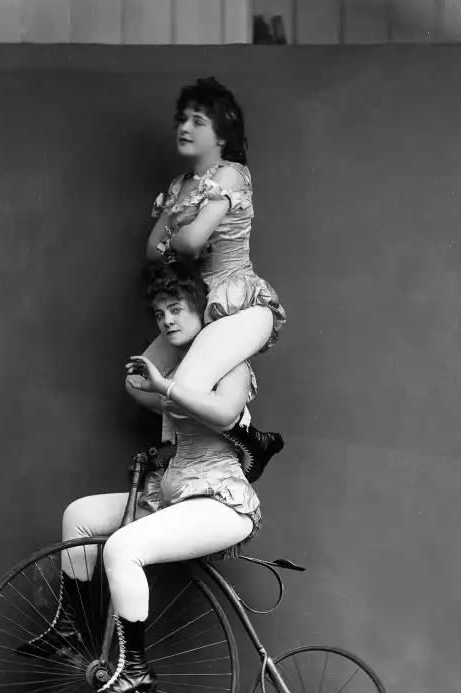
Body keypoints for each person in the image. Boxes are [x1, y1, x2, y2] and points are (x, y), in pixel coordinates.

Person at [17, 263, 262, 693]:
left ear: (203, 312)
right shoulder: (181, 373)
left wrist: (166, 385)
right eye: (159, 313)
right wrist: (161, 401)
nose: (167, 320)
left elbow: (225, 415)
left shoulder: (233, 366)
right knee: (80, 515)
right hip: (175, 495)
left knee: (122, 547)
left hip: (220, 504)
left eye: (177, 309)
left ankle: (135, 669)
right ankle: (69, 631)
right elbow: (144, 390)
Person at [139, 76, 286, 482]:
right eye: (182, 120)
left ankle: (228, 443)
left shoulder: (231, 176)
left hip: (237, 301)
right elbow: (152, 252)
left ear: (221, 134)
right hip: (197, 303)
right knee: (137, 382)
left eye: (198, 121)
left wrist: (176, 234)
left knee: (186, 383)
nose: (184, 128)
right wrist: (178, 231)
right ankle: (246, 437)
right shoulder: (179, 187)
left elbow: (188, 244)